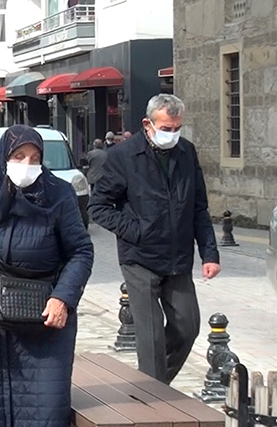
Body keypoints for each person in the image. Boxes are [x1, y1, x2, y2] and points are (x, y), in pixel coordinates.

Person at [0, 125, 94, 427]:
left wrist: (62, 298)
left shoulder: (58, 195)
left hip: (44, 326)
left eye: (35, 158)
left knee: (47, 413)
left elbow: (81, 252)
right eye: (19, 155)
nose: (27, 165)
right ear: (3, 156)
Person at [88, 94, 220, 384]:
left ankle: (153, 388)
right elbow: (97, 207)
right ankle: (154, 401)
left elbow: (199, 206)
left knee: (188, 326)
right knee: (150, 337)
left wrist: (209, 254)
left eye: (176, 128)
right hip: (140, 258)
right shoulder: (123, 156)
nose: (171, 134)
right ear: (147, 124)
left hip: (177, 257)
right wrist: (136, 231)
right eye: (166, 128)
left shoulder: (187, 152)